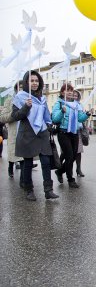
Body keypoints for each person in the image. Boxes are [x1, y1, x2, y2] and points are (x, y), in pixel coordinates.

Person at [11, 70, 59, 200]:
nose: (34, 83)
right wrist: (26, 106)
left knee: (45, 162)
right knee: (27, 163)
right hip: (27, 133)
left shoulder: (42, 98)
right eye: (31, 80)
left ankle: (48, 190)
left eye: (37, 81)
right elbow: (15, 116)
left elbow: (46, 115)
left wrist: (50, 124)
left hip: (42, 133)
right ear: (26, 82)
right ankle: (29, 190)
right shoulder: (20, 97)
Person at [52, 84, 90, 188]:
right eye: (67, 90)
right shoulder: (59, 104)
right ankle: (70, 179)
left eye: (71, 90)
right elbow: (54, 119)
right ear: (62, 92)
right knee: (69, 156)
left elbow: (79, 118)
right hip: (63, 133)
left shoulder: (75, 104)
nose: (69, 92)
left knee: (73, 157)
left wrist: (87, 114)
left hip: (74, 133)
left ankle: (59, 172)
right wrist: (61, 111)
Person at [73, 90, 86, 177]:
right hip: (70, 130)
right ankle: (62, 168)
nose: (75, 97)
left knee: (79, 152)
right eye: (73, 95)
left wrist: (86, 114)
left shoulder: (80, 105)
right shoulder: (68, 104)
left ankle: (78, 169)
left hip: (78, 130)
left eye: (76, 95)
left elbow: (82, 117)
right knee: (69, 153)